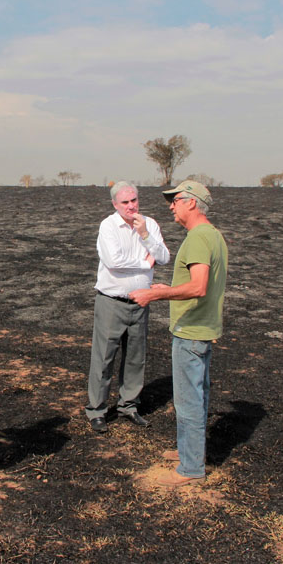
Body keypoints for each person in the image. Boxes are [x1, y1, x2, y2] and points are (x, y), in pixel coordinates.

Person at [129, 180, 227, 488]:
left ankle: (190, 468)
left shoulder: (198, 238)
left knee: (187, 399)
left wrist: (153, 296)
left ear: (192, 203)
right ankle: (190, 452)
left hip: (191, 331)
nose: (171, 205)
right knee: (197, 395)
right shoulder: (213, 236)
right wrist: (168, 289)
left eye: (176, 200)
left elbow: (198, 287)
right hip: (204, 329)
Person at [85, 181, 169, 433]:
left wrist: (145, 235)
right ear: (115, 204)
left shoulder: (150, 225)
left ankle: (129, 405)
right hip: (112, 302)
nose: (131, 206)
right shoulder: (108, 226)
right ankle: (97, 410)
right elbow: (113, 262)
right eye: (125, 202)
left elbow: (163, 257)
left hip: (141, 302)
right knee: (104, 358)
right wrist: (145, 264)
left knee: (135, 357)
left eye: (134, 200)